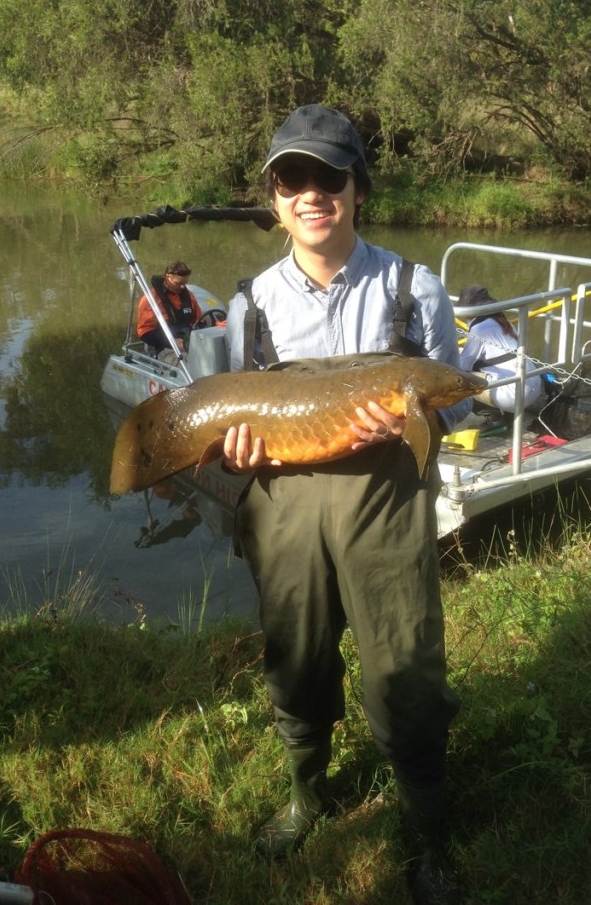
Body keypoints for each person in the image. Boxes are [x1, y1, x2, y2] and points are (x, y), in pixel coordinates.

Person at [224, 103, 469, 904]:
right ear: (274, 198)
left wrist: (418, 415)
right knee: (294, 654)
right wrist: (235, 448)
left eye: (329, 175)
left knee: (406, 663)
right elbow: (234, 419)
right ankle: (306, 794)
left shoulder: (413, 284)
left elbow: (456, 402)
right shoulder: (248, 303)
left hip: (385, 504)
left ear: (358, 187)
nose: (311, 192)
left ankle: (426, 837)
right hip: (285, 501)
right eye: (293, 177)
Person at [456, 284, 542, 433]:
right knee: (496, 366)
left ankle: (494, 420)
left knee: (458, 379)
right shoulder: (503, 322)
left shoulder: (479, 328)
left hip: (513, 395)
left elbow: (462, 366)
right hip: (533, 387)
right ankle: (509, 417)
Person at [136, 260, 203, 358]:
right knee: (192, 362)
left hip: (187, 343)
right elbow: (145, 332)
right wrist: (171, 341)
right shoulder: (151, 299)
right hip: (162, 347)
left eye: (185, 283)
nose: (182, 286)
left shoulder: (189, 296)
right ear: (168, 277)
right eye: (178, 283)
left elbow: (199, 321)